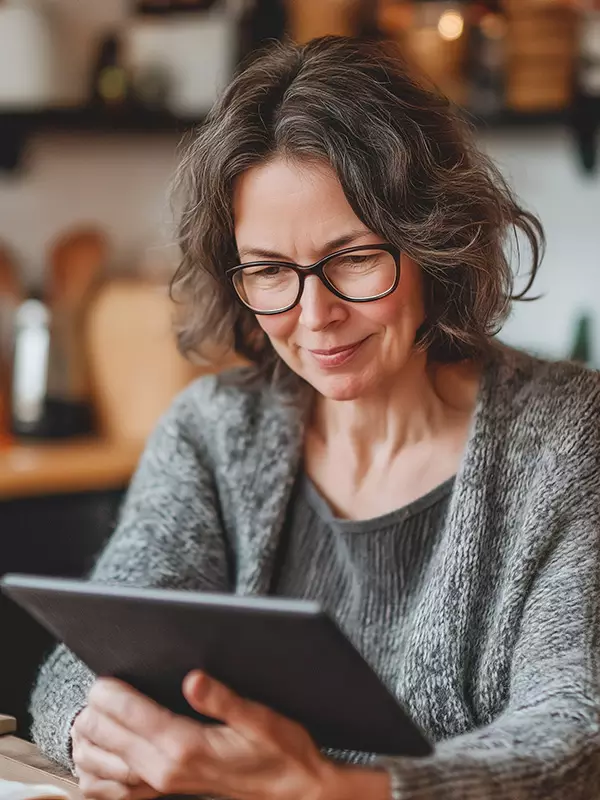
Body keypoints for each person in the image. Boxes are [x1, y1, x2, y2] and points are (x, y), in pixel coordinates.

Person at [31, 36, 600, 800]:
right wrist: (94, 732)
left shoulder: (568, 438)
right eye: (270, 270)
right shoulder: (214, 433)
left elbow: (575, 735)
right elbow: (85, 661)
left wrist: (333, 787)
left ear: (433, 242)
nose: (314, 314)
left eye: (353, 258)